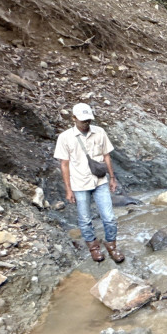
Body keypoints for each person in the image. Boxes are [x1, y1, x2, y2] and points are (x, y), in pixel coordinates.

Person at [54, 103, 124, 263]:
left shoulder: (100, 132)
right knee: (85, 219)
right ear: (74, 118)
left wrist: (112, 178)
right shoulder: (65, 138)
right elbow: (64, 164)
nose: (86, 123)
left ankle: (111, 246)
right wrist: (68, 190)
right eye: (83, 120)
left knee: (109, 217)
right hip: (79, 183)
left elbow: (107, 156)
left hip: (100, 181)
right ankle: (94, 248)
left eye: (88, 120)